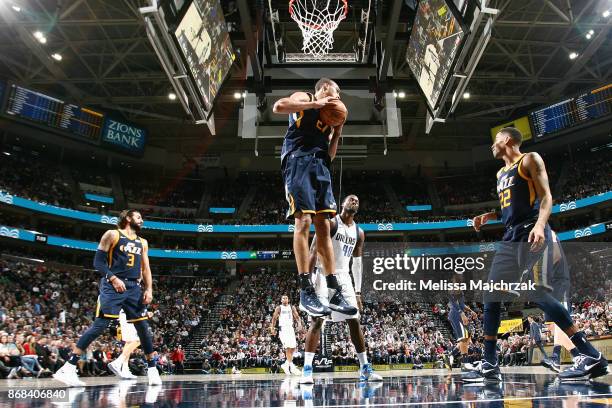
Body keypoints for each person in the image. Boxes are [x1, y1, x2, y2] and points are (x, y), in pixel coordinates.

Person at [463, 127, 608, 383]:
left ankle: (590, 354)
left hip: (532, 232)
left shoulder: (530, 159)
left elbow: (545, 197)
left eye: (495, 141)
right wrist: (491, 216)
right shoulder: (500, 173)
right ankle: (489, 362)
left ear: (507, 141)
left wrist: (541, 225)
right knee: (491, 294)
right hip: (510, 237)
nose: (492, 146)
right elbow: (513, 206)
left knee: (536, 292)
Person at [273, 78, 356, 318]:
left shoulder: (330, 117)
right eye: (336, 90)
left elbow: (329, 155)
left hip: (321, 166)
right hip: (298, 160)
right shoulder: (306, 98)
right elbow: (279, 106)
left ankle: (332, 289)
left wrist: (337, 133)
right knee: (304, 221)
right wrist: (316, 104)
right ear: (325, 87)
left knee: (323, 225)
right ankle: (305, 289)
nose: (338, 96)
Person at [53, 210, 162, 386]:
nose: (142, 220)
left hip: (134, 287)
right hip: (113, 286)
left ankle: (152, 369)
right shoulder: (112, 234)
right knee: (100, 326)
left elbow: (146, 268)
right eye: (138, 217)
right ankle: (68, 367)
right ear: (128, 218)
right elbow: (98, 262)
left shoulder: (143, 242)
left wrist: (149, 289)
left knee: (143, 327)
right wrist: (113, 278)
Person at [300, 195, 382, 384]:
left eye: (357, 200)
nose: (355, 201)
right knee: (317, 321)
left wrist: (359, 291)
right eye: (351, 199)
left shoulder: (359, 233)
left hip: (344, 277)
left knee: (354, 319)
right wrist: (310, 279)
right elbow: (313, 251)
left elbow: (358, 264)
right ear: (341, 204)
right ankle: (307, 370)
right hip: (322, 273)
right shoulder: (330, 223)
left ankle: (365, 368)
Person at [269, 295, 303, 375]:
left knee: (293, 347)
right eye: (283, 298)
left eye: (286, 298)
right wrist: (272, 328)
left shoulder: (292, 307)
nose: (285, 299)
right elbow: (274, 318)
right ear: (281, 300)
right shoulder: (279, 308)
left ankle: (285, 365)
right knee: (288, 348)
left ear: (288, 299)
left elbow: (297, 316)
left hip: (290, 328)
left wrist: (299, 324)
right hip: (283, 329)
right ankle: (292, 367)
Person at [447, 290, 477, 371]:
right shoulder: (455, 285)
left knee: (467, 337)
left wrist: (471, 311)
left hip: (457, 314)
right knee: (464, 338)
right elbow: (453, 302)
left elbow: (462, 304)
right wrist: (462, 313)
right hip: (456, 314)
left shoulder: (461, 289)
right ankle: (465, 364)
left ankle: (451, 355)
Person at [107, 309, 141, 379]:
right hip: (130, 313)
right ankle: (117, 362)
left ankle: (125, 369)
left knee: (129, 342)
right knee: (138, 340)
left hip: (123, 314)